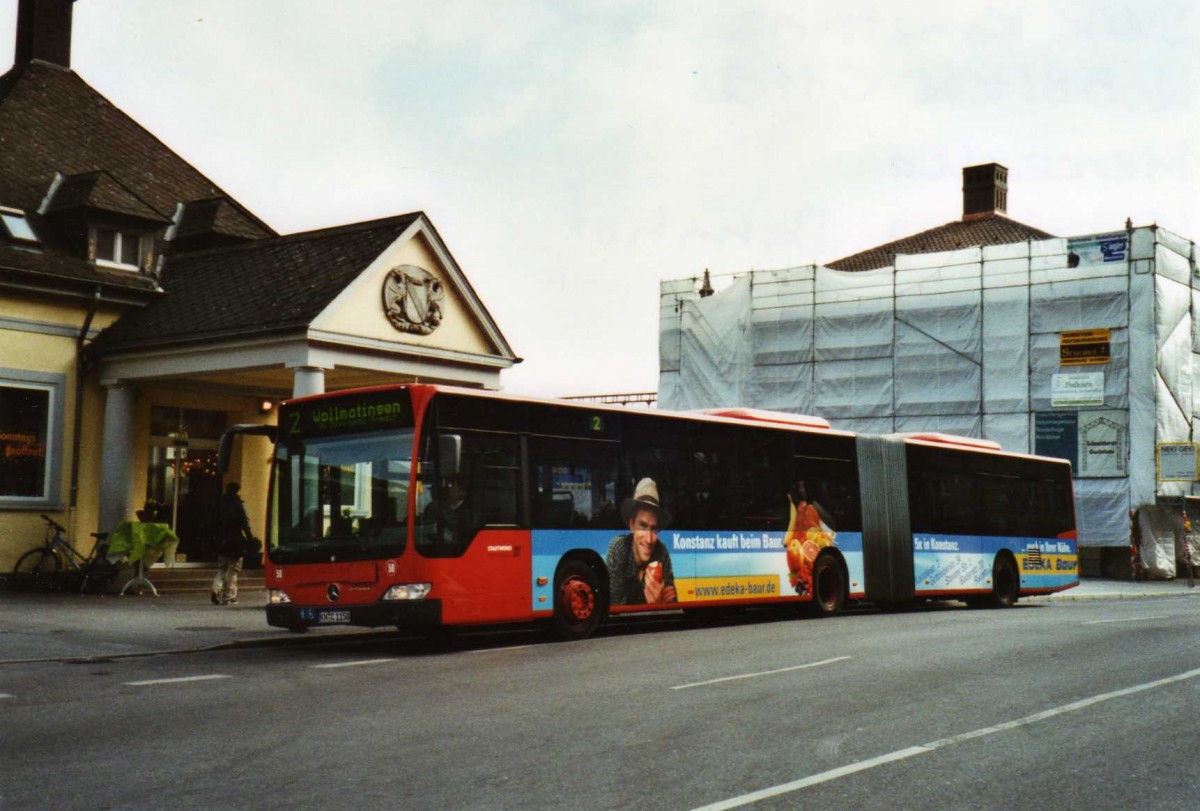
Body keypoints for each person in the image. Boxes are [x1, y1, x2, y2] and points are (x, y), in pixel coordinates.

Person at [606, 478, 677, 605]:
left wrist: (666, 601)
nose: (649, 539)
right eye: (642, 527)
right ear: (632, 525)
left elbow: (672, 599)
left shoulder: (662, 552)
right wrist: (643, 597)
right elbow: (613, 602)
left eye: (654, 529)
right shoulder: (619, 547)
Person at [211, 481, 254, 606]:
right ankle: (228, 596)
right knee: (233, 570)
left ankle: (216, 587)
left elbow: (214, 522)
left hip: (221, 540)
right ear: (237, 491)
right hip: (235, 541)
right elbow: (245, 524)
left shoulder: (219, 504)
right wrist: (250, 538)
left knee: (221, 568)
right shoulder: (239, 505)